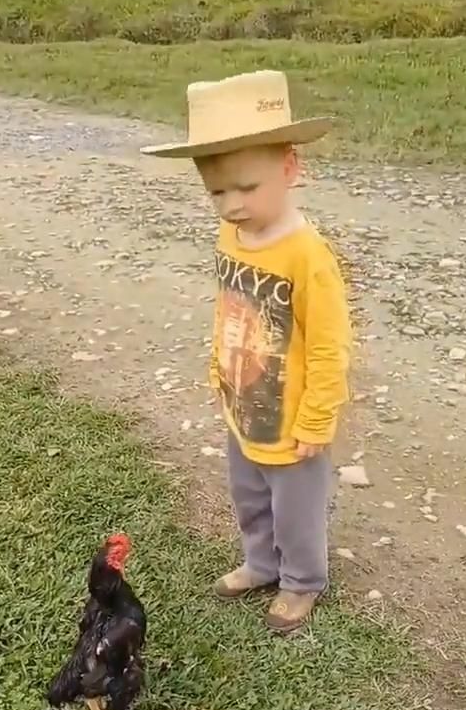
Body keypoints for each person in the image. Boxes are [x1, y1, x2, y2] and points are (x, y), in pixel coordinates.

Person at [142, 70, 351, 634]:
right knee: (249, 496)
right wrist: (220, 370)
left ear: (289, 167)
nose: (231, 205)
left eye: (246, 188)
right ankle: (261, 563)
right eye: (216, 191)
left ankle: (302, 580)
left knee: (295, 510)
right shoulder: (231, 237)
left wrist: (317, 415)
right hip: (244, 403)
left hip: (293, 419)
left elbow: (331, 345)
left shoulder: (308, 256)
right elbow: (230, 306)